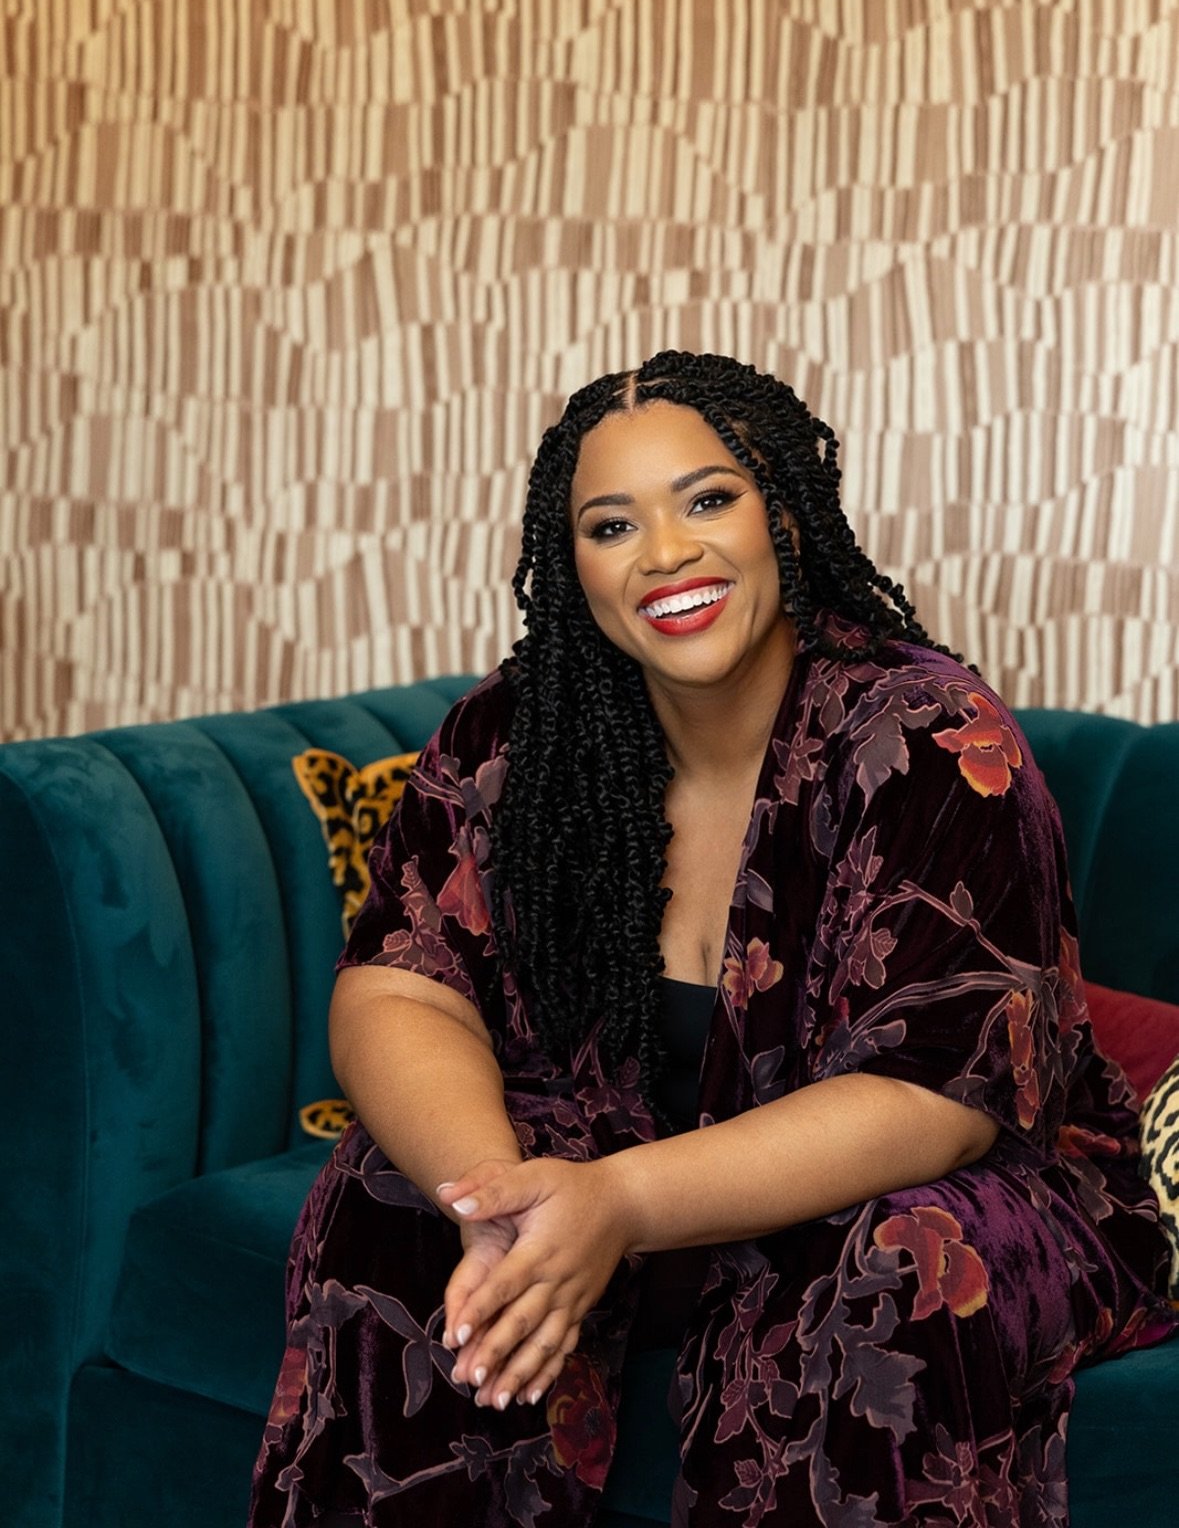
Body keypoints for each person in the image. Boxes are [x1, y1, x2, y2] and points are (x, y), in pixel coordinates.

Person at [248, 351, 1176, 1528]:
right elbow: (402, 983)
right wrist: (491, 1202)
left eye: (708, 499)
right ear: (565, 560)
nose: (667, 553)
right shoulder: (521, 730)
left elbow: (932, 1097)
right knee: (388, 1191)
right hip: (626, 1160)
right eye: (611, 523)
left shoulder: (929, 739)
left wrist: (620, 1206)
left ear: (783, 513)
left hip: (937, 1186)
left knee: (880, 1256)